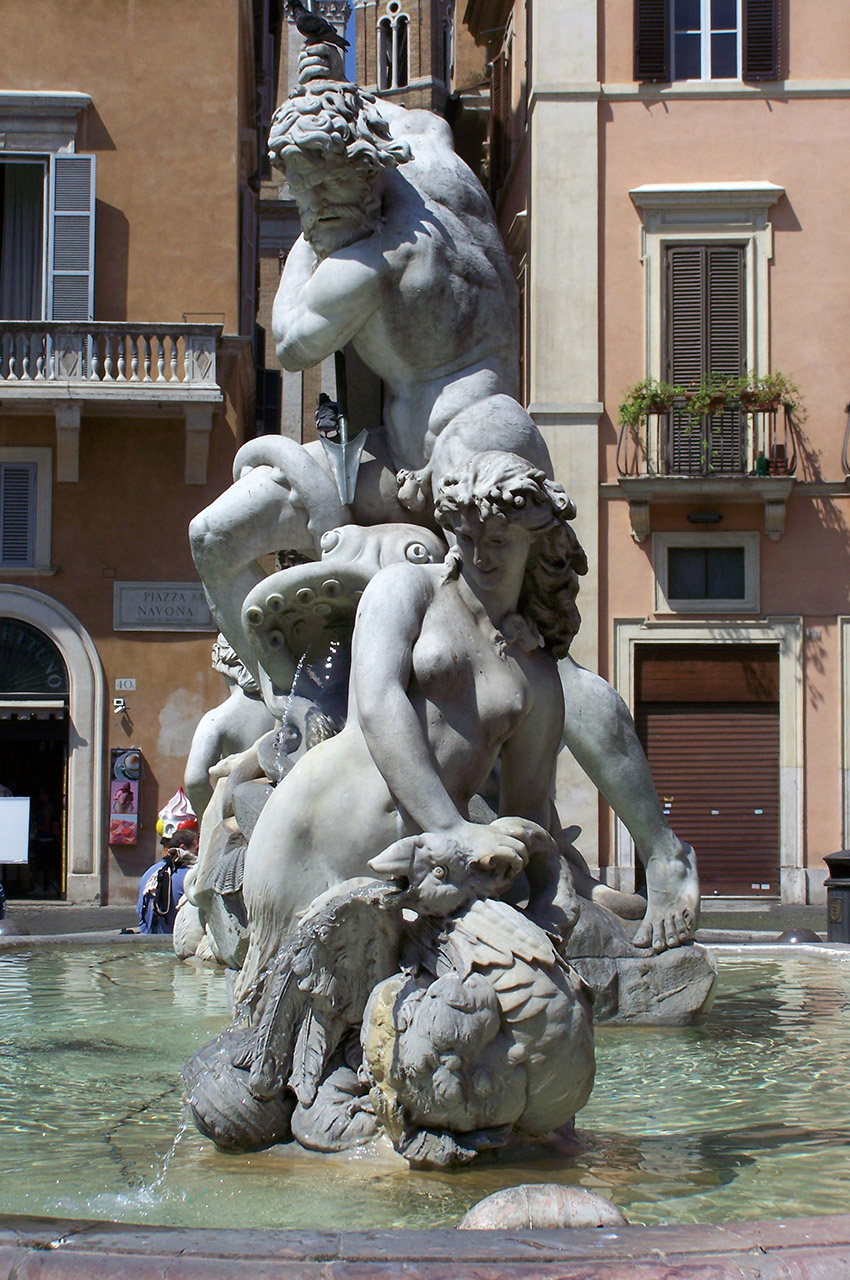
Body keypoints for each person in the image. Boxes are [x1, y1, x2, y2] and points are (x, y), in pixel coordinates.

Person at [190, 48, 698, 956]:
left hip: (473, 427)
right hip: (393, 448)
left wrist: (308, 240)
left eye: (320, 195)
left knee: (536, 664)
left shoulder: (360, 261)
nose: (314, 213)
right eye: (301, 197)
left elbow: (295, 344)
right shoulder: (426, 146)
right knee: (213, 536)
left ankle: (664, 852)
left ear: (357, 174)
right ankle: (280, 704)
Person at [235, 453, 589, 1005]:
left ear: (533, 541)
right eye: (467, 536)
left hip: (422, 870)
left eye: (499, 541)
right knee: (274, 1028)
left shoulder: (536, 672)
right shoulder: (406, 590)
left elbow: (529, 805)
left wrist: (545, 887)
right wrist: (451, 828)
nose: (480, 554)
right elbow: (378, 702)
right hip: (317, 829)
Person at [138, 829, 199, 935]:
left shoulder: (149, 872)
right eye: (198, 849)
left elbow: (141, 914)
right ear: (183, 848)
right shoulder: (191, 875)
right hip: (173, 944)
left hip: (147, 942)